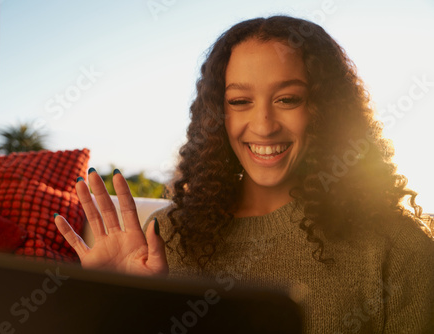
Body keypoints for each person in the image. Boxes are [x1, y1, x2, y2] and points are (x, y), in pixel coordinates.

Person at [54, 16, 434, 333]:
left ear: (326, 109)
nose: (264, 125)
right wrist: (116, 305)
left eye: (288, 99)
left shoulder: (398, 248)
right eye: (239, 102)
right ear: (217, 116)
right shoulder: (165, 236)